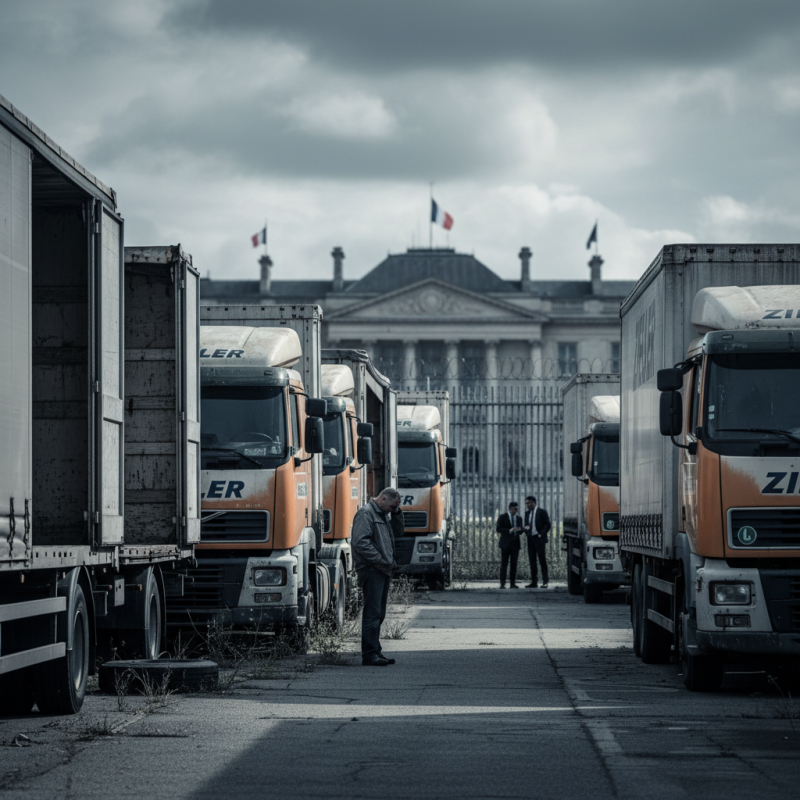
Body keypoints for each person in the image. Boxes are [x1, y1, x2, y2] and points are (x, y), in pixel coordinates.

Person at [351, 487, 403, 666]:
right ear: (383, 498)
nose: (392, 510)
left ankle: (375, 651)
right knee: (373, 613)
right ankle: (370, 654)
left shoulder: (382, 515)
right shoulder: (366, 514)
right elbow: (360, 542)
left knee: (378, 613)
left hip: (382, 569)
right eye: (392, 506)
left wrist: (397, 513)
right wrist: (380, 560)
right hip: (372, 569)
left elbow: (398, 532)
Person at [523, 495, 551, 588]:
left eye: (530, 503)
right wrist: (527, 531)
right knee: (532, 561)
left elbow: (548, 525)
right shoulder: (527, 514)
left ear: (534, 502)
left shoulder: (542, 512)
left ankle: (545, 581)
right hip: (531, 540)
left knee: (542, 561)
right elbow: (526, 525)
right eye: (527, 503)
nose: (528, 505)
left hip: (539, 539)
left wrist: (540, 534)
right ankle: (534, 582)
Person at [496, 501, 523, 588]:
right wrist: (509, 530)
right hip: (505, 544)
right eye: (514, 509)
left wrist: (521, 529)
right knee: (504, 564)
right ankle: (502, 584)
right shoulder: (503, 517)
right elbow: (498, 529)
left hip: (515, 544)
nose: (516, 511)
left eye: (517, 509)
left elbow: (521, 531)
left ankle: (512, 583)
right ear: (510, 509)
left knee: (514, 564)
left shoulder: (519, 518)